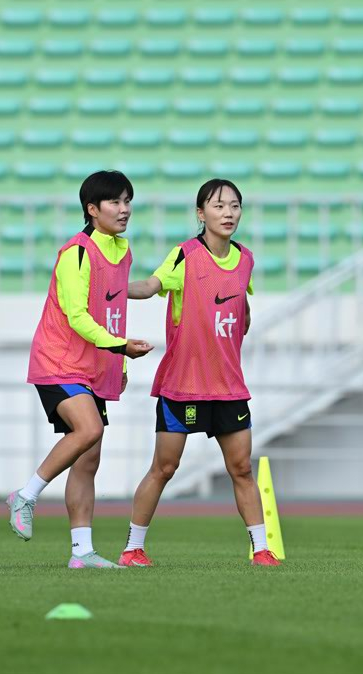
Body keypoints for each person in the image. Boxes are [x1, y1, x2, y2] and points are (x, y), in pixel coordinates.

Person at [117, 179, 279, 567]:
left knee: (241, 468)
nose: (228, 213)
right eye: (219, 206)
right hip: (183, 386)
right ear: (200, 213)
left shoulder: (246, 259)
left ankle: (262, 550)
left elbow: (243, 311)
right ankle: (132, 548)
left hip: (229, 387)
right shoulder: (185, 255)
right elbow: (151, 285)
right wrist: (112, 288)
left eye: (235, 206)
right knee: (165, 468)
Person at [9, 170, 153, 568]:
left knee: (89, 457)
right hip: (58, 361)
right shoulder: (76, 252)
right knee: (89, 430)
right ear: (92, 210)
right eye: (115, 202)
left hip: (94, 366)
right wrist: (120, 345)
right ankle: (26, 495)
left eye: (128, 201)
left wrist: (118, 359)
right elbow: (77, 315)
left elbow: (114, 307)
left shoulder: (122, 251)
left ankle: (81, 553)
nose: (124, 209)